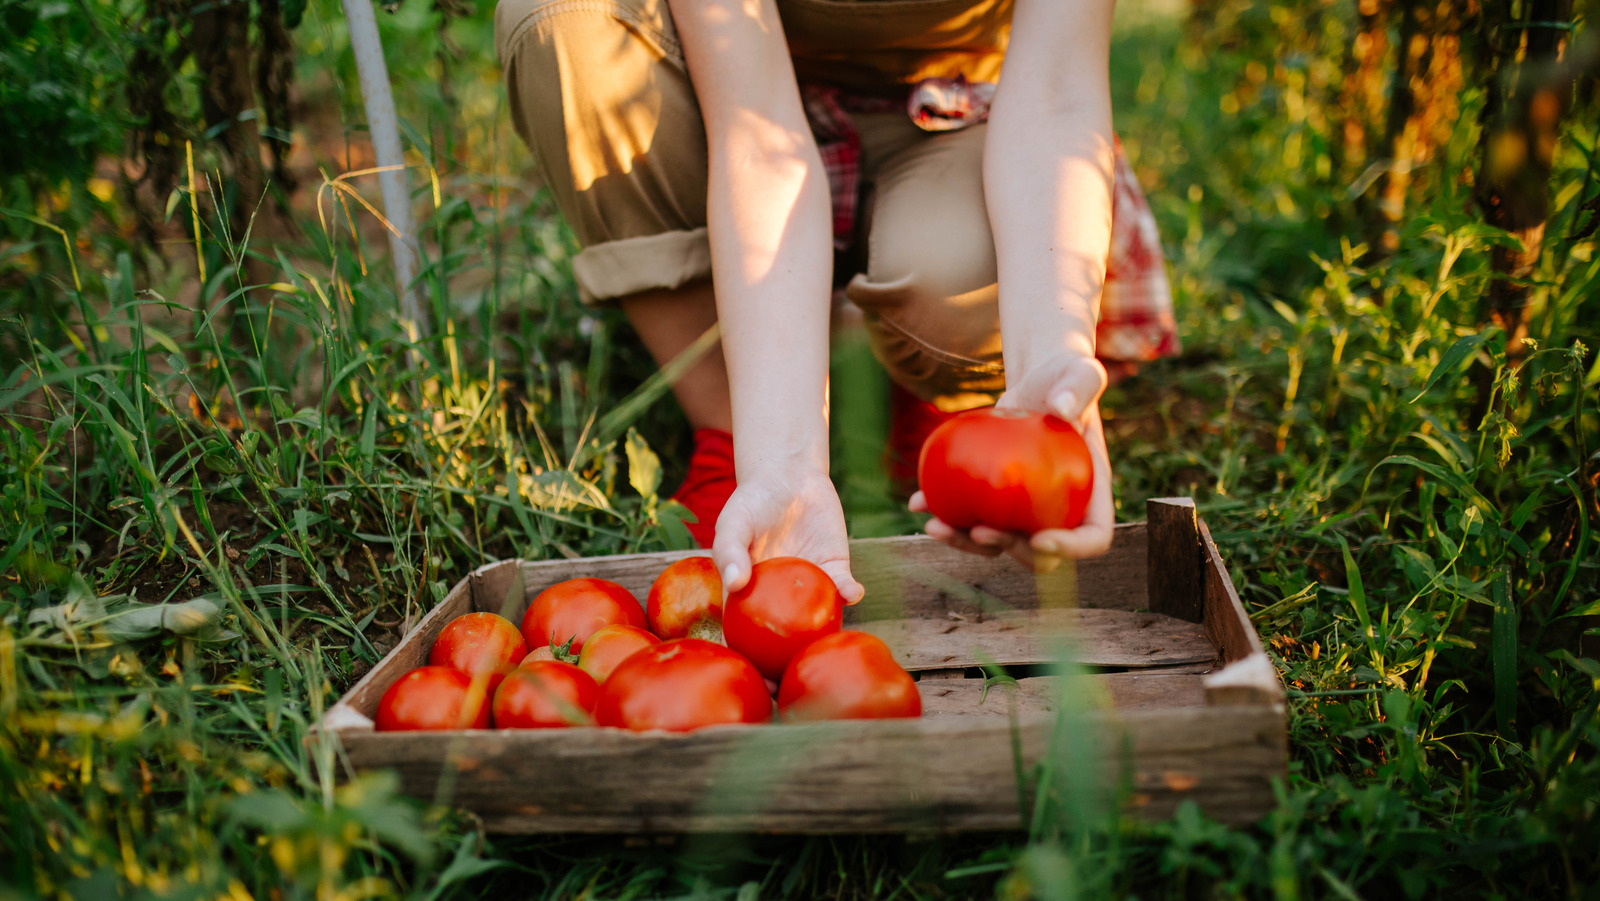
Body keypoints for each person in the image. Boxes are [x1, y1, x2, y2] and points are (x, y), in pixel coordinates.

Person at [493, 0, 1178, 602]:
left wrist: (1050, 355)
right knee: (557, 14)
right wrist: (779, 462)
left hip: (963, 114)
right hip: (727, 101)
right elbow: (759, 134)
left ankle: (946, 399)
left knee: (950, 273)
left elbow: (1056, 95)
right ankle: (733, 433)